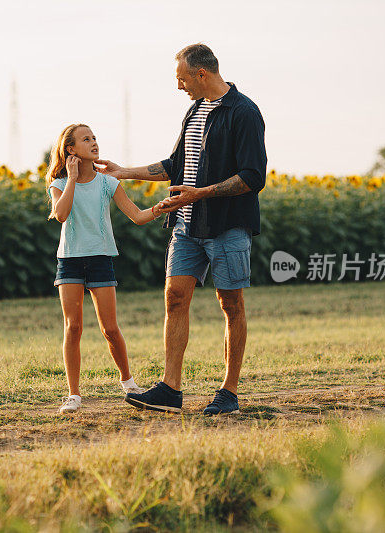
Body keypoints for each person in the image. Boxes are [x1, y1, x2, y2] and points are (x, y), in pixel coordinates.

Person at [95, 44, 267, 415]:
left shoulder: (245, 112)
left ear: (201, 74)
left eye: (182, 78)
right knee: (174, 298)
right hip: (187, 227)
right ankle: (170, 389)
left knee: (231, 304)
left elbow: (253, 177)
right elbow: (174, 165)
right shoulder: (194, 110)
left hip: (227, 226)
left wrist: (198, 194)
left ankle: (229, 393)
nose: (179, 86)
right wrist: (122, 171)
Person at [47, 123, 163, 414]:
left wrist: (160, 208)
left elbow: (136, 216)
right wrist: (72, 178)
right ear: (70, 149)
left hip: (101, 259)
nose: (94, 142)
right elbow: (60, 214)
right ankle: (73, 395)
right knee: (73, 328)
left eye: (95, 138)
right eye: (86, 139)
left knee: (110, 328)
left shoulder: (108, 182)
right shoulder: (59, 183)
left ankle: (129, 384)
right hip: (70, 259)